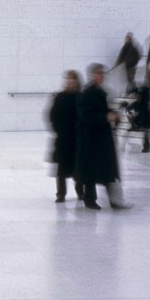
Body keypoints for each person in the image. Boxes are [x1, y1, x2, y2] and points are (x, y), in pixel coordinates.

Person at [74, 64, 129, 209]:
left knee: (107, 170)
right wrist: (106, 116)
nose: (101, 76)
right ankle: (90, 199)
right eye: (98, 73)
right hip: (91, 138)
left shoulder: (99, 92)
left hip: (101, 138)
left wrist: (114, 115)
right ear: (92, 75)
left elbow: (102, 111)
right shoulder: (87, 93)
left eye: (102, 73)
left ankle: (114, 200)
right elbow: (86, 116)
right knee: (92, 171)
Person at [46, 70, 82, 204]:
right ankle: (61, 194)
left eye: (73, 79)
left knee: (78, 167)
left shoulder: (80, 96)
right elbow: (52, 115)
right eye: (68, 79)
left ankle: (80, 192)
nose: (70, 81)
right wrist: (58, 130)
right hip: (63, 138)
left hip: (77, 138)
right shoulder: (60, 97)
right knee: (61, 169)